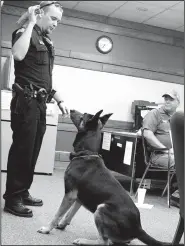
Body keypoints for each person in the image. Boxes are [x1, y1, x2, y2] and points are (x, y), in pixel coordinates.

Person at [3, 1, 69, 217]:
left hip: (40, 103)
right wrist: (30, 22)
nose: (56, 24)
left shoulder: (46, 41)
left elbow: (45, 79)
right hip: (26, 101)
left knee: (32, 151)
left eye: (59, 20)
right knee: (22, 150)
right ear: (40, 14)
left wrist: (59, 99)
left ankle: (22, 191)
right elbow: (18, 55)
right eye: (53, 18)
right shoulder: (25, 32)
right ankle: (12, 199)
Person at [142, 89, 180, 207]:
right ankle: (177, 196)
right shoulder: (155, 114)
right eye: (166, 99)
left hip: (175, 154)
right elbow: (147, 134)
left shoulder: (177, 117)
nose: (167, 101)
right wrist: (167, 150)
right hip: (159, 155)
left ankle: (176, 189)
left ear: (178, 102)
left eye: (171, 99)